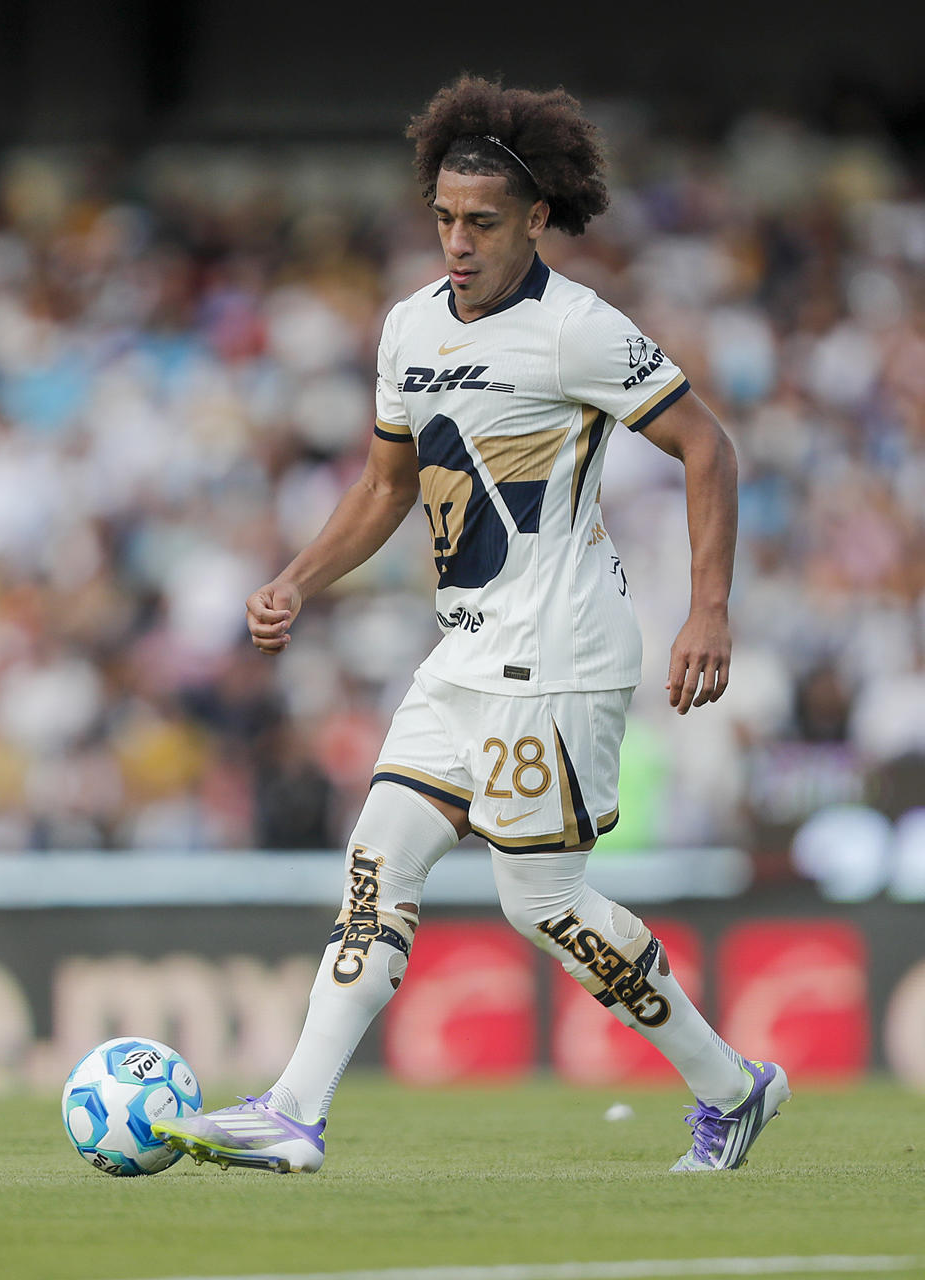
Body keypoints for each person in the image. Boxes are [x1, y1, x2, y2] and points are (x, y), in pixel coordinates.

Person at [152, 76, 787, 1175]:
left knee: (539, 901)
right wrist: (298, 578)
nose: (457, 241)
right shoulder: (408, 326)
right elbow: (386, 486)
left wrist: (711, 610)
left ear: (537, 218)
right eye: (444, 218)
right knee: (377, 856)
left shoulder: (576, 329)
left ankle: (731, 1086)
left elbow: (707, 446)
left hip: (561, 653)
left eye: (482, 222)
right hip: (465, 648)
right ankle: (294, 1111)